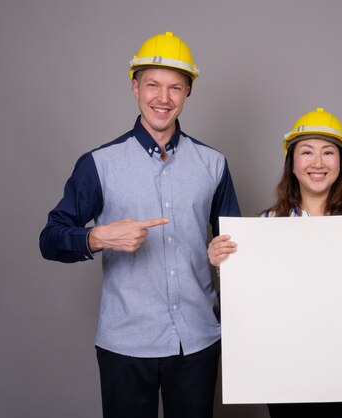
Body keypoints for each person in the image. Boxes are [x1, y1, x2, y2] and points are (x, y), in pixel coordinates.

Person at [40, 32, 241, 418]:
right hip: (126, 345)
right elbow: (49, 238)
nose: (162, 99)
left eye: (175, 88)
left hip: (198, 342)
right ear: (135, 87)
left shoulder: (213, 164)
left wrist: (222, 256)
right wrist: (97, 237)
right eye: (152, 85)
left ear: (187, 93)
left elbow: (236, 248)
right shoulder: (99, 164)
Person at [207, 107, 342, 418]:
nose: (318, 163)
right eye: (307, 152)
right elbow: (250, 302)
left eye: (328, 153)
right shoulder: (266, 225)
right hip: (287, 372)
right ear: (292, 164)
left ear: (341, 162)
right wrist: (224, 265)